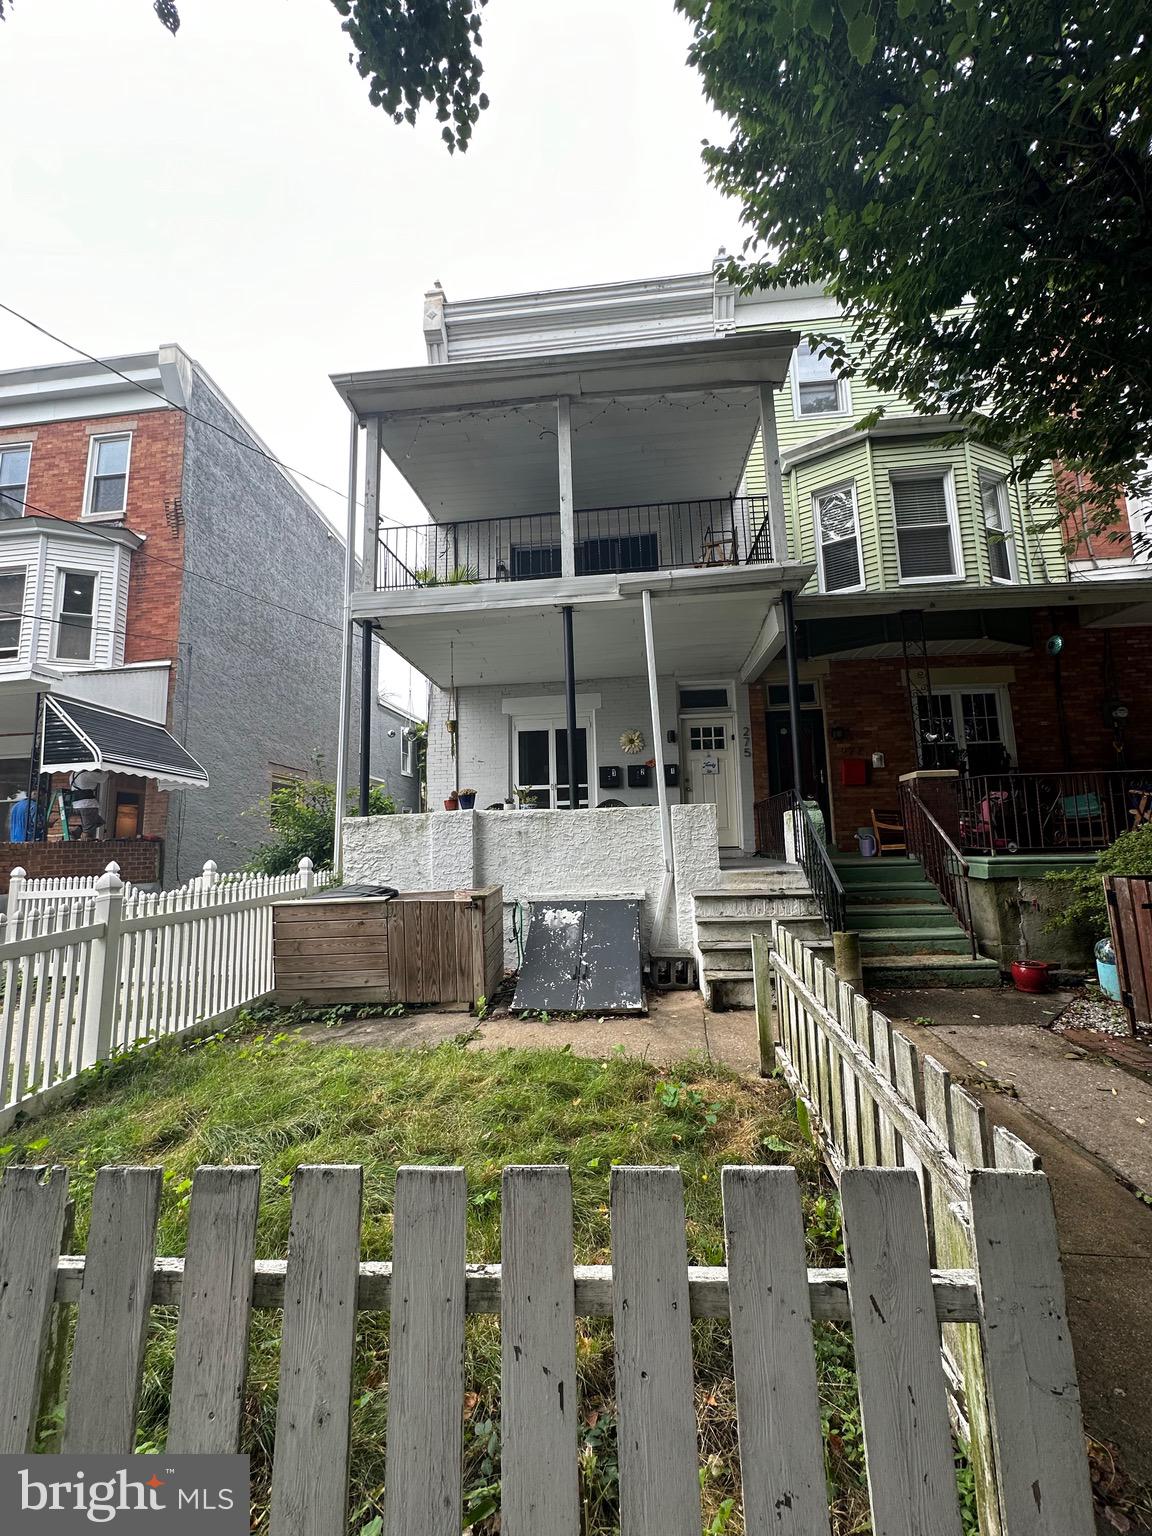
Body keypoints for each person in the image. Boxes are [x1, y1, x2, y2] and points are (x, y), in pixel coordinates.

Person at [69, 769, 107, 840]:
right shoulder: (87, 774)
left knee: (99, 821)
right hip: (87, 805)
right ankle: (84, 847)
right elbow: (104, 778)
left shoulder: (72, 774)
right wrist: (102, 769)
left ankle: (76, 832)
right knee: (88, 831)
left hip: (76, 805)